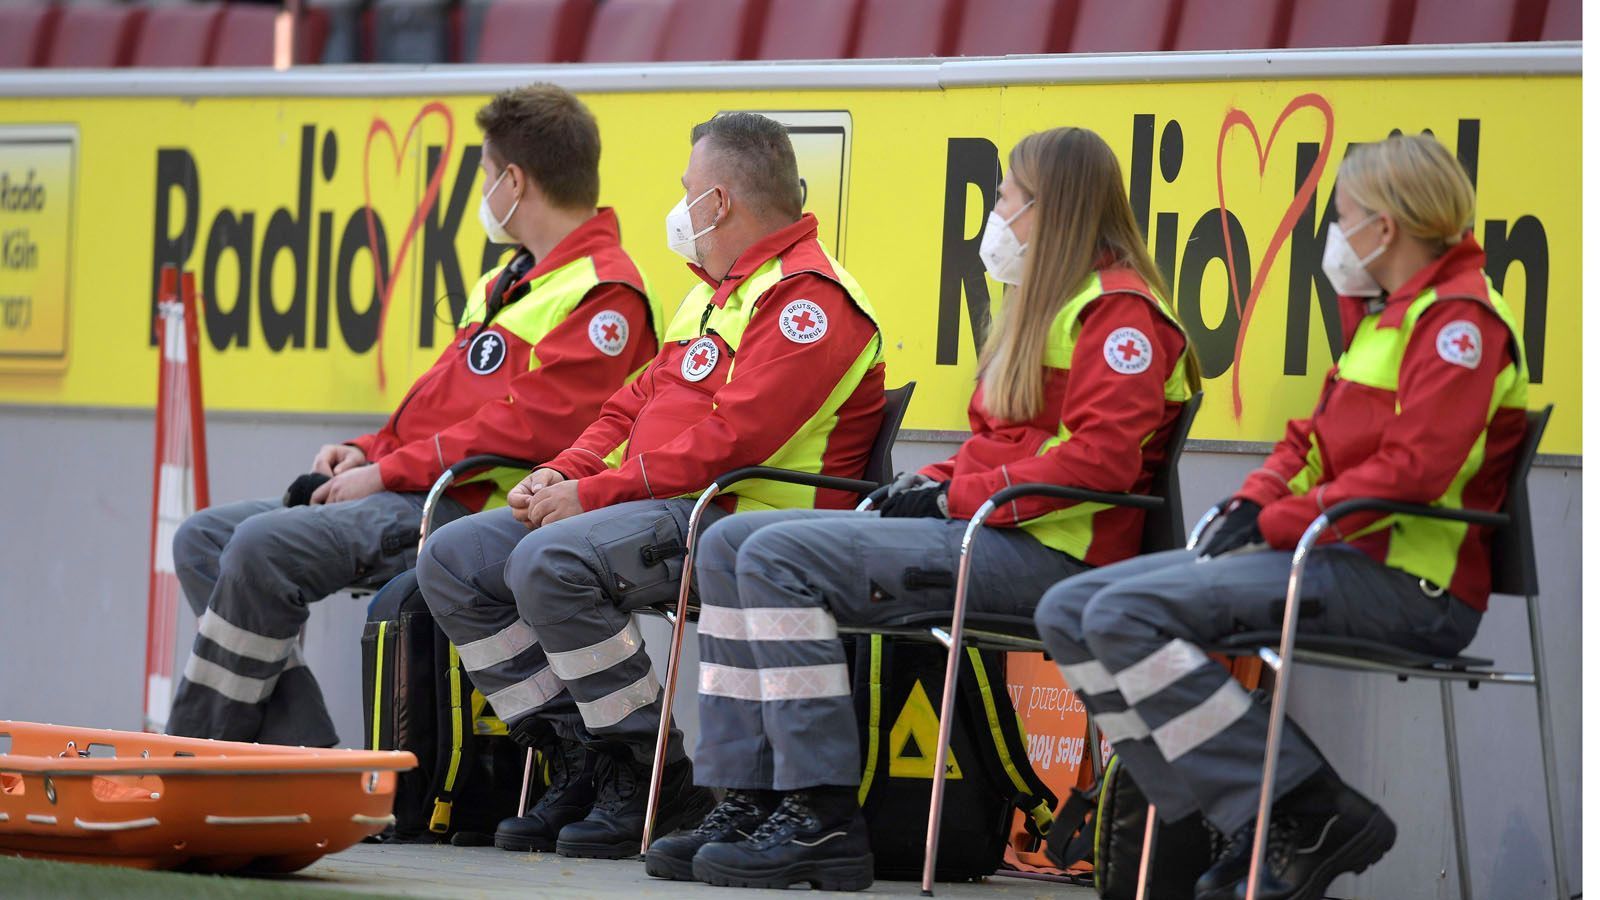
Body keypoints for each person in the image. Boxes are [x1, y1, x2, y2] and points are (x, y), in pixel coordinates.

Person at [645, 126, 1200, 891]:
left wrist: (954, 494)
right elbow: (999, 443)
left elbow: (1097, 461)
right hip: (995, 533)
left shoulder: (1120, 315)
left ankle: (818, 813)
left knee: (774, 554)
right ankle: (749, 792)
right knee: (730, 540)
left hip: (1056, 556)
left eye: (1007, 195)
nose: (996, 211)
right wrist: (924, 483)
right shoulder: (1058, 305)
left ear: (1050, 207)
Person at [1033, 133, 1528, 900]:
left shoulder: (1460, 323)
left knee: (1125, 612)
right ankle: (1229, 814)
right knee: (1069, 609)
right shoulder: (1389, 316)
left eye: (1344, 215)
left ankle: (1296, 808)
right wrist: (1250, 499)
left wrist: (1276, 523)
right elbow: (1310, 440)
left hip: (1407, 580)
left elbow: (1417, 470)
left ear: (1386, 227)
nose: (1336, 234)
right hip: (1340, 559)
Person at [415, 112, 887, 860]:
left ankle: (648, 770)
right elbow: (629, 405)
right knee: (455, 557)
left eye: (687, 189)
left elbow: (729, 445)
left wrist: (592, 496)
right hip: (653, 507)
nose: (681, 204)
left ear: (720, 201)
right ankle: (583, 758)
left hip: (737, 523)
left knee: (552, 560)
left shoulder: (810, 301)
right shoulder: (712, 294)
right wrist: (562, 471)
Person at [165, 84, 661, 747]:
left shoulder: (606, 293)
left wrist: (382, 474)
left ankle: (198, 754)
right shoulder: (510, 281)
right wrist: (368, 450)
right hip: (410, 488)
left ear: (514, 180)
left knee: (261, 545)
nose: (483, 192)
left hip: (472, 509)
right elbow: (441, 403)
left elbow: (529, 428)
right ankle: (303, 759)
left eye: (486, 177)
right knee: (204, 538)